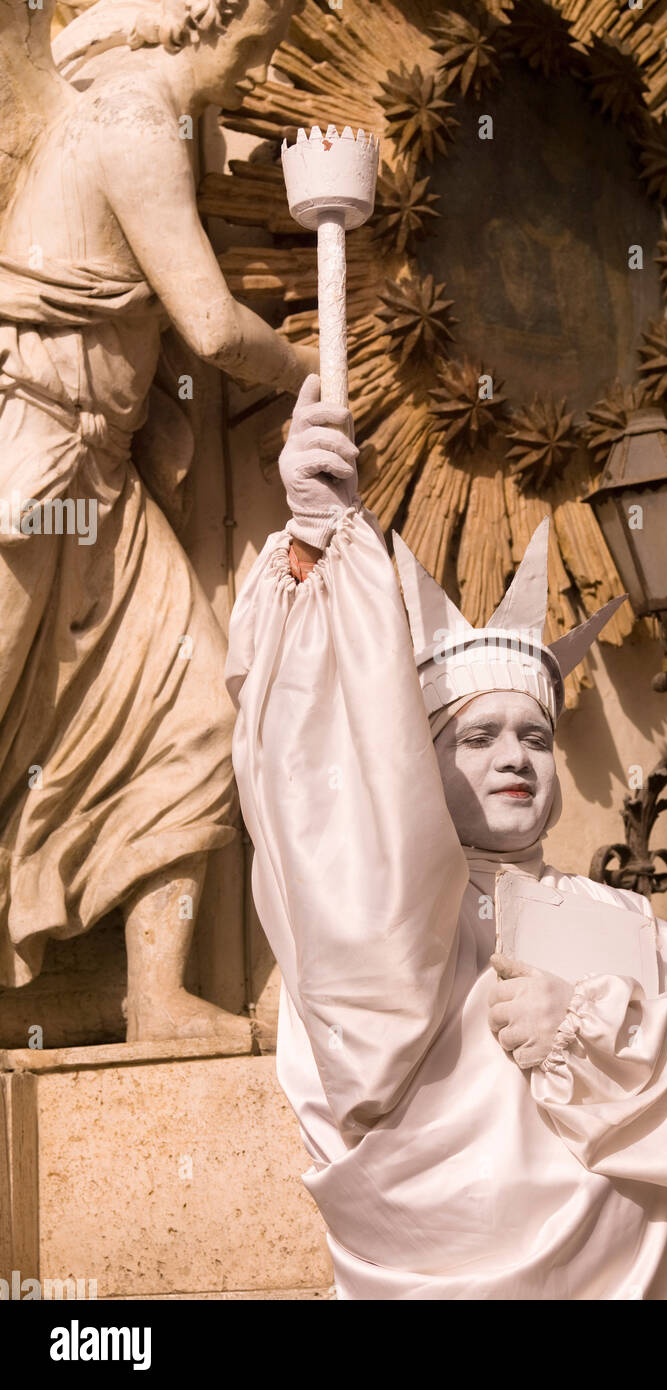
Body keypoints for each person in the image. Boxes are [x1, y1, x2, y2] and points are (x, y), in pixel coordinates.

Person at [226, 375, 667, 1299]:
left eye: (534, 736)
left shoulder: (621, 917)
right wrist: (314, 551)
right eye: (476, 739)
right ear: (419, 768)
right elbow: (307, 778)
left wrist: (599, 1031)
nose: (514, 757)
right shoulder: (388, 920)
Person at [0, 0, 312, 1039]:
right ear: (209, 18)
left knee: (196, 713)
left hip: (96, 480)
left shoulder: (150, 120)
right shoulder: (134, 119)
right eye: (266, 30)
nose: (270, 56)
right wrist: (322, 372)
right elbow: (216, 325)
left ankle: (158, 998)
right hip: (30, 462)